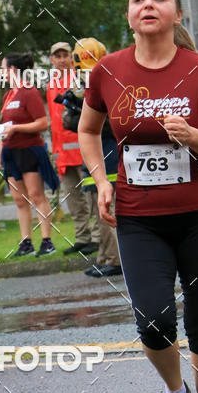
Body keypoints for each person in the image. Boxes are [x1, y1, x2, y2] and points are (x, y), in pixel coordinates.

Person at [79, 0, 198, 393]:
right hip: (138, 217)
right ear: (129, 14)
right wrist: (103, 181)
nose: (147, 4)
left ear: (176, 12)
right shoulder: (107, 72)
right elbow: (88, 130)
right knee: (153, 321)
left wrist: (192, 136)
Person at [0, 52, 59, 257]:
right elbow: (4, 128)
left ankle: (47, 241)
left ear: (12, 70)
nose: (1, 73)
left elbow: (42, 123)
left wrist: (17, 129)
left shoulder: (29, 92)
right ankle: (26, 242)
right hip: (10, 152)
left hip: (29, 150)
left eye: (3, 68)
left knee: (36, 195)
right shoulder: (8, 95)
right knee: (19, 199)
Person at [72, 38, 122, 278]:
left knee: (107, 211)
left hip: (108, 159)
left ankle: (114, 259)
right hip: (93, 160)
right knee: (96, 212)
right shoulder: (85, 88)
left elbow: (112, 125)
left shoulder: (110, 83)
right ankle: (104, 257)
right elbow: (72, 124)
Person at [46, 42, 97, 256]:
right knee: (74, 198)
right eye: (56, 55)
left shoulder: (80, 79)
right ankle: (82, 237)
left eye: (65, 55)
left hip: (81, 149)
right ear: (51, 59)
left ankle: (97, 237)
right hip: (63, 153)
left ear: (71, 57)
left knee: (90, 195)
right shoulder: (51, 86)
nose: (61, 59)